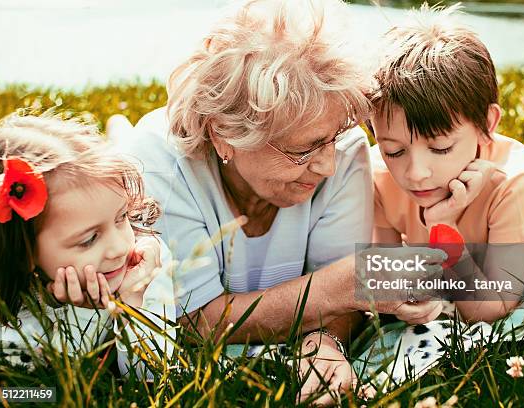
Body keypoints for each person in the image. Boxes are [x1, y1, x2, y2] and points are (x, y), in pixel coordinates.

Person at [109, 0, 446, 402]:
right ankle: (115, 134)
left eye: (333, 136)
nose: (325, 165)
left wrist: (322, 343)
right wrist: (346, 284)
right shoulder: (161, 165)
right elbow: (189, 321)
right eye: (303, 150)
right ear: (223, 135)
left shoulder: (343, 152)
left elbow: (345, 309)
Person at [369, 4, 524, 323]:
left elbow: (486, 310)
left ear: (487, 124)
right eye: (394, 151)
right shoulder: (377, 173)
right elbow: (387, 284)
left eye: (441, 148)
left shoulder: (516, 184)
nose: (416, 174)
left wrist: (443, 227)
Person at [0, 113, 176, 379]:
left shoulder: (142, 260)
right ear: (23, 253)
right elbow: (36, 392)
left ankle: (120, 131)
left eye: (121, 216)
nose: (119, 248)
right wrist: (79, 315)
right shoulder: (6, 321)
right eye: (89, 239)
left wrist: (134, 305)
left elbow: (154, 377)